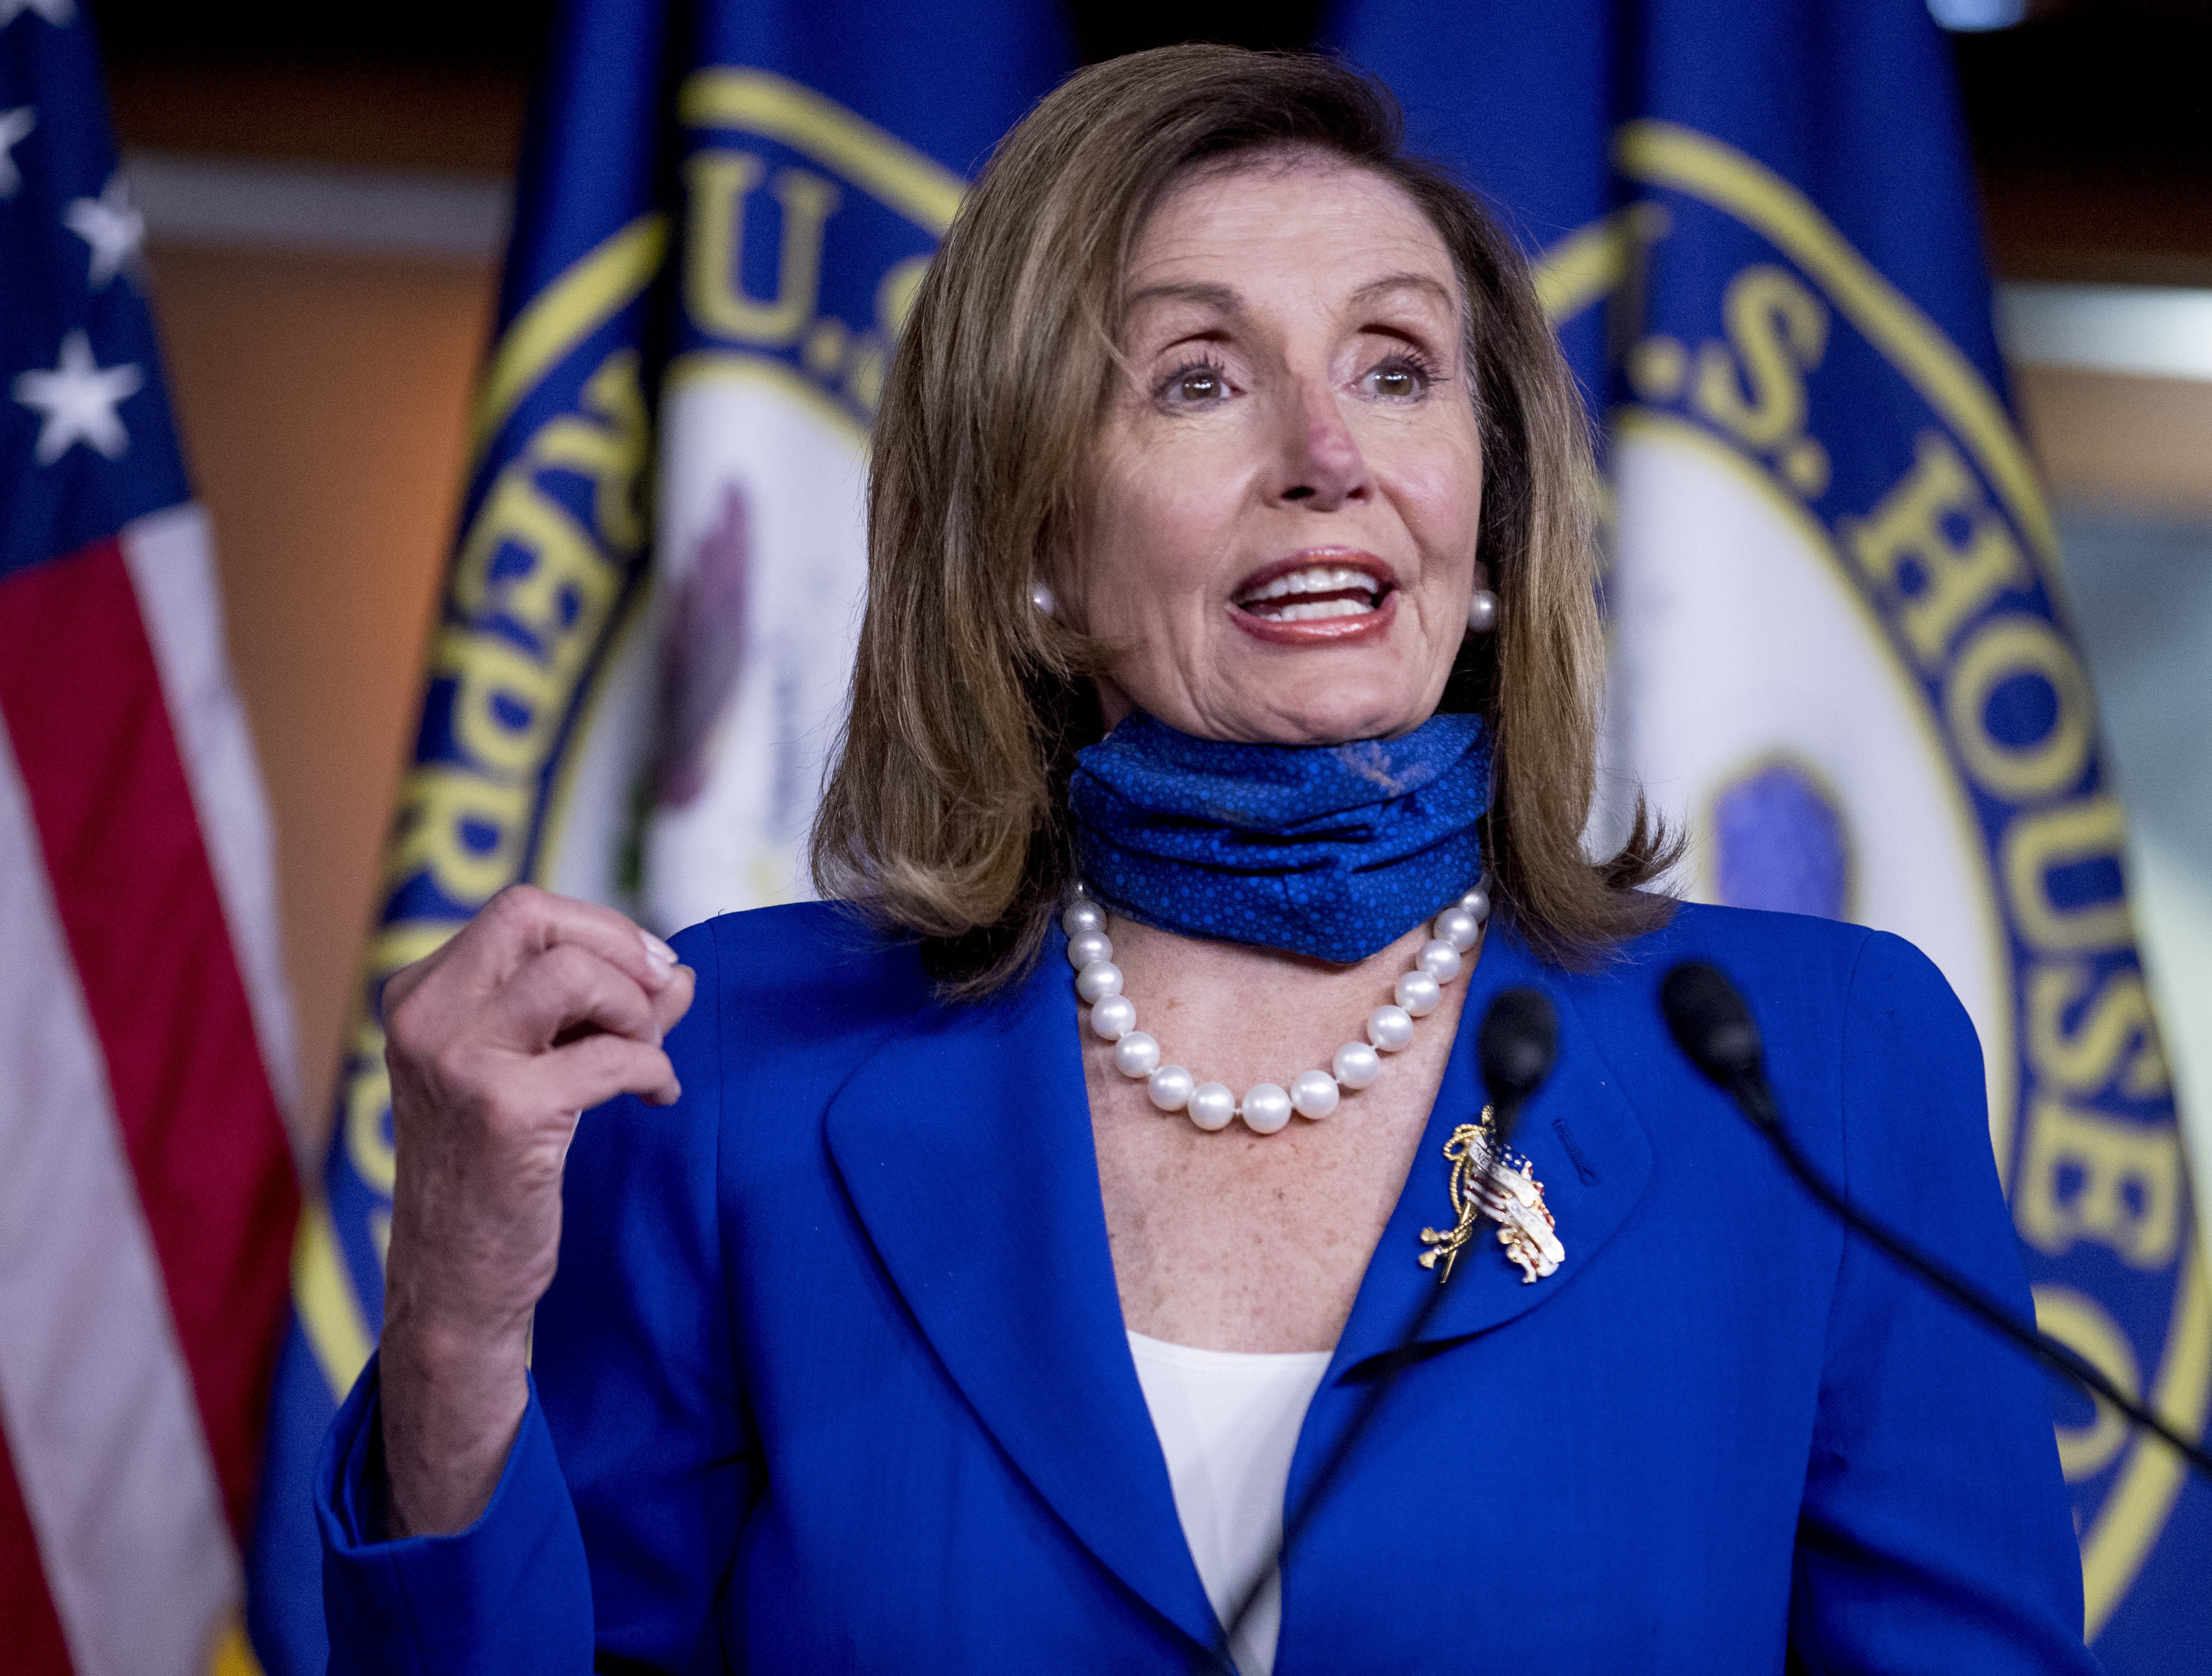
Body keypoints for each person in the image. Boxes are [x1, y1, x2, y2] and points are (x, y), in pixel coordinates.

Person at [320, 44, 2102, 1676]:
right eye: (1196, 380)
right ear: (1032, 542)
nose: (1327, 457)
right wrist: (459, 1319)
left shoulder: (1823, 1064)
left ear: (1487, 518)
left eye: (1396, 370)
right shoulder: (734, 1082)